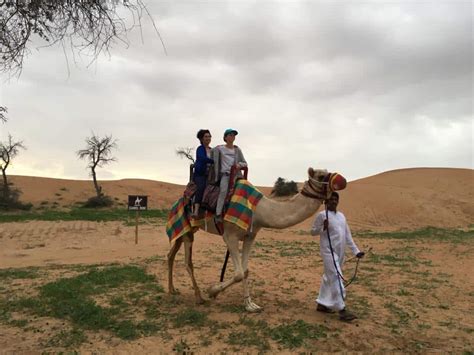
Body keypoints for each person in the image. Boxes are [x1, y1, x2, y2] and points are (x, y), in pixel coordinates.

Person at [311, 191, 365, 321]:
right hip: (328, 251)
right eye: (331, 199)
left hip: (340, 253)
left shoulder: (341, 216)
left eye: (336, 199)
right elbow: (312, 232)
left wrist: (356, 251)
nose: (334, 201)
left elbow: (347, 235)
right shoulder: (322, 215)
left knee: (328, 277)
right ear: (326, 201)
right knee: (335, 276)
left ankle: (322, 304)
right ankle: (342, 309)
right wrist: (322, 228)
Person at [211, 128, 247, 222]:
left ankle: (245, 214)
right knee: (223, 192)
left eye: (234, 135)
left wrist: (239, 165)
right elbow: (211, 153)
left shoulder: (237, 149)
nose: (232, 136)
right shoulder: (219, 148)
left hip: (236, 176)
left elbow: (245, 163)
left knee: (245, 190)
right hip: (226, 175)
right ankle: (218, 214)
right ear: (225, 137)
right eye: (230, 135)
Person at [192, 129, 214, 217]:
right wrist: (213, 161)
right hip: (200, 175)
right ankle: (196, 210)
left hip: (211, 175)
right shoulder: (200, 149)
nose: (208, 138)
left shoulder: (212, 150)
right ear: (201, 139)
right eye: (206, 136)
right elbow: (202, 158)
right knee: (201, 187)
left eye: (209, 136)